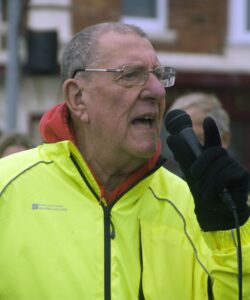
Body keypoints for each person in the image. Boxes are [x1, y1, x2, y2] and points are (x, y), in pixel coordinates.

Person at [0, 22, 249, 300]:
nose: (156, 91)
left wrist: (233, 233)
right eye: (131, 74)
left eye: (158, 75)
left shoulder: (193, 205)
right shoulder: (7, 188)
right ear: (78, 97)